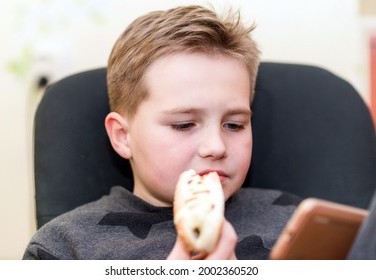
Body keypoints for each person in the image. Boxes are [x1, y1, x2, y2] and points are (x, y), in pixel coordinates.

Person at [23, 5, 301, 260]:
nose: (216, 147)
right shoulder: (63, 248)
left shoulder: (295, 222)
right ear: (122, 136)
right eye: (184, 125)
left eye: (234, 125)